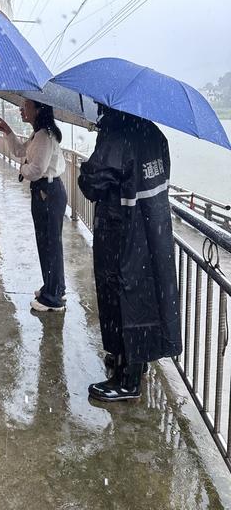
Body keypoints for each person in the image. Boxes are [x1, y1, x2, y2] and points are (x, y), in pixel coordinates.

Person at [78, 106, 182, 402]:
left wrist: (89, 164)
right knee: (143, 299)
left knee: (120, 301)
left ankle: (127, 381)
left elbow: (92, 184)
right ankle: (136, 362)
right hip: (152, 234)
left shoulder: (117, 136)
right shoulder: (154, 134)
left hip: (121, 234)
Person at [0, 100, 67, 312]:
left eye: (25, 106)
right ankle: (54, 287)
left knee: (49, 244)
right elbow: (20, 151)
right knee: (47, 242)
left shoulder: (44, 136)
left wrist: (22, 169)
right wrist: (8, 132)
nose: (21, 109)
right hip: (46, 191)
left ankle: (52, 299)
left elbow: (36, 169)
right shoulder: (38, 135)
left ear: (38, 110)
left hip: (48, 192)